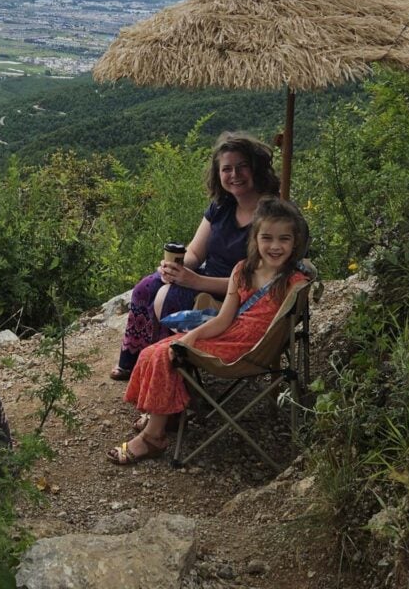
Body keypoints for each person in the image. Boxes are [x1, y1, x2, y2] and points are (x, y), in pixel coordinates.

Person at [106, 197, 308, 465]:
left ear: (295, 243)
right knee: (153, 352)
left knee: (162, 355)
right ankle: (167, 415)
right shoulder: (242, 271)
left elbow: (280, 331)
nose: (274, 246)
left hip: (251, 349)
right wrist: (192, 336)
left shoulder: (295, 282)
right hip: (228, 337)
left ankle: (153, 438)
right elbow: (224, 320)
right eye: (267, 237)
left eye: (284, 239)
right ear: (255, 238)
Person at [109, 131, 279, 381]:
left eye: (243, 167)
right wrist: (176, 268)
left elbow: (260, 282)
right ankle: (135, 361)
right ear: (218, 174)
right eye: (227, 169)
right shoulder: (222, 207)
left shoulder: (272, 216)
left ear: (256, 168)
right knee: (147, 287)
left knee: (170, 298)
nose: (234, 175)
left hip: (239, 296)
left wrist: (194, 281)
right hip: (206, 278)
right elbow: (196, 252)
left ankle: (167, 376)